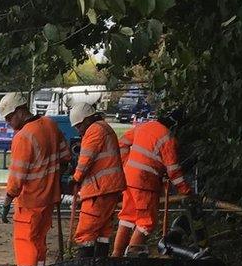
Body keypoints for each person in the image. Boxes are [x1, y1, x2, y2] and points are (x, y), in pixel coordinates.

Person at [0, 92, 72, 266]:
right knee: (39, 239)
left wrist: (7, 200)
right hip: (49, 198)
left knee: (25, 240)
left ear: (20, 111)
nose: (8, 122)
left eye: (9, 117)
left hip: (30, 200)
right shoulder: (50, 125)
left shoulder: (23, 137)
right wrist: (52, 181)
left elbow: (17, 176)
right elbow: (66, 157)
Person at [112, 110, 194, 256]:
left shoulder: (144, 126)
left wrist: (127, 165)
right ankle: (132, 257)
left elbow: (122, 144)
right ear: (175, 126)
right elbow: (174, 171)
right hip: (145, 183)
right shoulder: (167, 138)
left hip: (129, 178)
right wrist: (186, 190)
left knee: (127, 218)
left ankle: (116, 255)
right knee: (146, 222)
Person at [68, 101, 126, 257]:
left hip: (99, 190)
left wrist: (75, 178)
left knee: (86, 230)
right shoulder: (105, 128)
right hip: (110, 188)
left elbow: (86, 159)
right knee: (103, 229)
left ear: (87, 119)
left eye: (79, 126)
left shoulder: (94, 131)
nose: (78, 130)